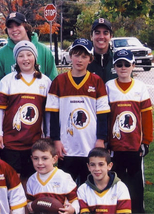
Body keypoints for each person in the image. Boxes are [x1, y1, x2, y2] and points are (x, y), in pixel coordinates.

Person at [46, 38, 110, 185]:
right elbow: (53, 115)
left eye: (84, 56)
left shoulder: (96, 81)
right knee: (66, 186)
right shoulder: (59, 82)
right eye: (76, 55)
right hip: (67, 147)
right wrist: (56, 140)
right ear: (70, 56)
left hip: (90, 145)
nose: (79, 59)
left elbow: (102, 115)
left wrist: (101, 139)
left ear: (90, 59)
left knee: (91, 186)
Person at [0, 40, 52, 181]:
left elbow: (48, 113)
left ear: (35, 57)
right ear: (16, 59)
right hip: (11, 140)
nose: (25, 59)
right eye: (21, 56)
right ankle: (14, 203)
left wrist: (48, 133)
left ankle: (29, 202)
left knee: (32, 177)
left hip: (34, 139)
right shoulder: (7, 81)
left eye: (29, 55)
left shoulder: (45, 81)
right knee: (13, 177)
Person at [106, 49, 153, 213]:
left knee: (135, 181)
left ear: (133, 65)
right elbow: (106, 117)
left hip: (134, 145)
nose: (123, 67)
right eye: (119, 64)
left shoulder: (140, 87)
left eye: (127, 64)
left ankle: (138, 209)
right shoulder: (109, 87)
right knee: (117, 180)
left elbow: (146, 116)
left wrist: (146, 141)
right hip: (116, 145)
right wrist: (106, 140)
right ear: (114, 67)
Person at [0, 11, 57, 98]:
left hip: (40, 107)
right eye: (10, 27)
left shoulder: (44, 51)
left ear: (26, 27)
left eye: (18, 25)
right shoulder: (0, 55)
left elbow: (53, 81)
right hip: (12, 108)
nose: (14, 30)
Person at [26, 138, 79, 214]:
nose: (40, 162)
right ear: (32, 158)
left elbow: (75, 200)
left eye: (45, 158)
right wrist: (30, 205)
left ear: (54, 159)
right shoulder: (31, 180)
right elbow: (30, 201)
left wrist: (72, 209)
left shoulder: (64, 177)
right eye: (36, 158)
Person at [77, 147, 131, 213]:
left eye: (101, 164)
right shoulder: (83, 190)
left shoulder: (120, 187)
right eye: (92, 165)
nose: (97, 169)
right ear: (88, 167)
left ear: (109, 166)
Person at [87, 18, 117, 83]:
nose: (101, 36)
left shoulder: (119, 60)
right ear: (91, 36)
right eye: (97, 33)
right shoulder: (84, 62)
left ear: (111, 36)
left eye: (105, 33)